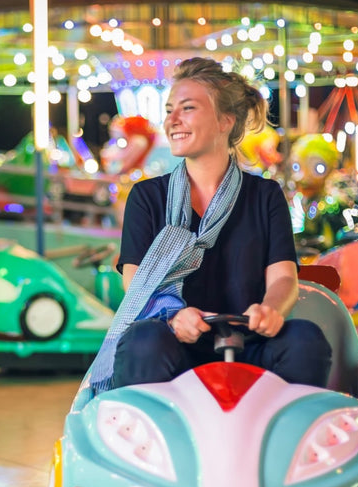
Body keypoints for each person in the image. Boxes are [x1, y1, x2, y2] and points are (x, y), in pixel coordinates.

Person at [84, 57, 331, 394]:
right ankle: (150, 440)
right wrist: (173, 317)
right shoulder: (147, 197)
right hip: (173, 343)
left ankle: (287, 436)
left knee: (305, 339)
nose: (171, 120)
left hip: (249, 343)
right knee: (143, 339)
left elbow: (284, 276)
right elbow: (136, 283)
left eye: (187, 109)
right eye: (169, 109)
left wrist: (270, 311)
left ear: (225, 121)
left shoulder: (264, 195)